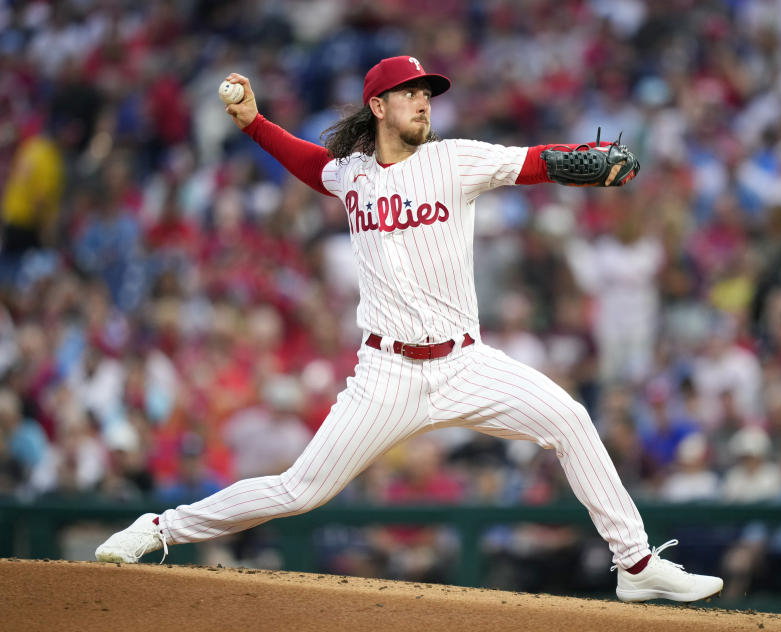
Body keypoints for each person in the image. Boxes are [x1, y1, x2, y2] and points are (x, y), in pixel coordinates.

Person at [94, 55, 722, 603]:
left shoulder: (456, 161)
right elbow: (315, 165)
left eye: (429, 93)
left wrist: (580, 162)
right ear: (379, 105)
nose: (426, 101)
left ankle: (636, 564)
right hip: (386, 375)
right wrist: (254, 124)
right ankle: (161, 527)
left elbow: (533, 162)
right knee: (299, 490)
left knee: (571, 421)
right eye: (413, 92)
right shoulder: (354, 175)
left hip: (465, 365)